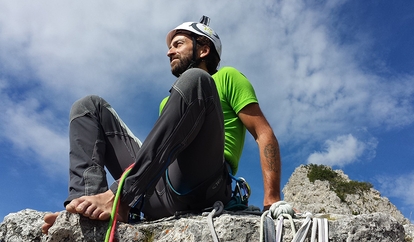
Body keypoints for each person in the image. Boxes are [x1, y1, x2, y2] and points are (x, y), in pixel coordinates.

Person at [42, 16, 281, 234]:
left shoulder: (226, 78)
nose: (169, 52)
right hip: (157, 188)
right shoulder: (168, 101)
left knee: (197, 80)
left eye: (178, 44)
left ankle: (120, 196)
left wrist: (271, 199)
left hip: (205, 184)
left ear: (204, 49)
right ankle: (85, 207)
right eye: (170, 47)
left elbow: (263, 134)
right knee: (88, 106)